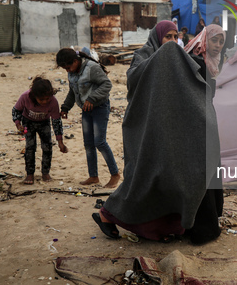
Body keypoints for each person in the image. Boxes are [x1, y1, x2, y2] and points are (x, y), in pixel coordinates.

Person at [92, 20, 223, 244]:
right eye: (167, 37)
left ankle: (160, 228)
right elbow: (135, 83)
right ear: (157, 37)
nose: (171, 43)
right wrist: (161, 60)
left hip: (171, 132)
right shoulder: (143, 56)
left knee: (171, 178)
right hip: (147, 129)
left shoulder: (182, 58)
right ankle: (107, 214)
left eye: (175, 38)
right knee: (143, 179)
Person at [56, 48, 121, 189]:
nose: (67, 71)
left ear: (75, 61)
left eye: (68, 67)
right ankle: (93, 176)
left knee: (100, 142)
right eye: (65, 69)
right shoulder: (71, 74)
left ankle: (115, 175)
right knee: (88, 144)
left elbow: (107, 85)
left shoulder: (92, 68)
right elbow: (72, 92)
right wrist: (65, 107)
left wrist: (92, 98)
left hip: (100, 108)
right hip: (86, 110)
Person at [12, 76, 68, 185]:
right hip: (28, 122)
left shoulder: (53, 102)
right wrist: (18, 124)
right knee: (30, 147)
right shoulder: (25, 97)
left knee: (47, 147)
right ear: (34, 96)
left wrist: (60, 142)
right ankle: (30, 173)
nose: (45, 102)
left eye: (47, 99)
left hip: (44, 123)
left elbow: (56, 122)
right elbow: (16, 110)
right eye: (41, 99)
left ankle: (45, 172)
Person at [183, 24, 227, 97]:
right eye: (214, 40)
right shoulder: (196, 62)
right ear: (205, 39)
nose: (218, 45)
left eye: (221, 42)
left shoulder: (211, 60)